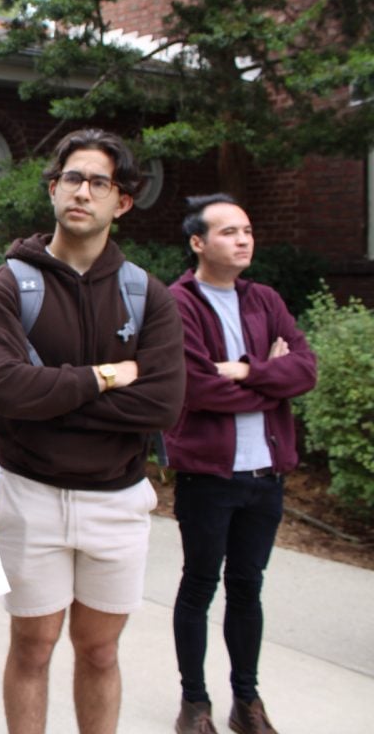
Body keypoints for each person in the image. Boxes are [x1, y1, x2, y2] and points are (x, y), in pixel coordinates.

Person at [0, 128, 186, 733]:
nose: (82, 191)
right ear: (52, 189)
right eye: (72, 178)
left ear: (122, 201)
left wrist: (53, 395)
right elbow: (9, 392)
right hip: (31, 496)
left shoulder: (149, 296)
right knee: (33, 647)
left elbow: (164, 403)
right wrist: (108, 378)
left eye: (99, 182)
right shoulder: (5, 287)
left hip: (116, 501)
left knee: (99, 650)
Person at [164, 194, 317, 734]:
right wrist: (269, 379)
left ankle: (246, 703)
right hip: (209, 477)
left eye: (247, 230)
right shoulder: (178, 303)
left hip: (265, 476)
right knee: (200, 585)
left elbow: (305, 368)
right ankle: (194, 704)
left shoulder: (265, 299)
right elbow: (199, 389)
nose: (244, 239)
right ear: (198, 242)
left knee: (248, 588)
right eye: (229, 231)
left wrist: (245, 373)